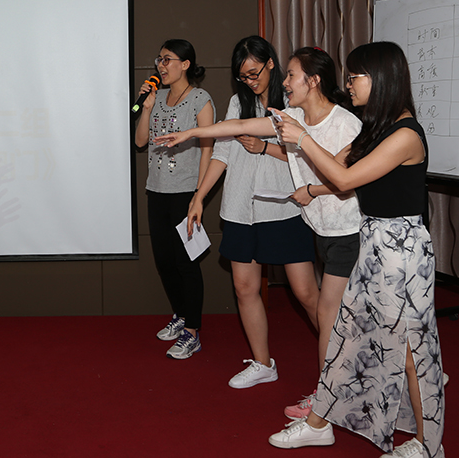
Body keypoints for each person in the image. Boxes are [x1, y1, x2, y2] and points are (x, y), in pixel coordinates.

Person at [266, 41, 444, 458]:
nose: (348, 84)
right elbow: (338, 167)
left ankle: (427, 445)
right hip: (374, 243)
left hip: (401, 251)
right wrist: (308, 177)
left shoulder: (405, 133)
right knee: (351, 335)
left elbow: (346, 182)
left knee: (410, 350)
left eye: (355, 76)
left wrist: (304, 140)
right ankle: (319, 424)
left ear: (381, 78)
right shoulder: (377, 126)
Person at [169, 36, 319, 384]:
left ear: (270, 64)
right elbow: (223, 152)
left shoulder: (293, 102)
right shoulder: (239, 102)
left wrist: (264, 150)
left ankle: (343, 359)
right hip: (240, 208)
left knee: (306, 292)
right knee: (244, 288)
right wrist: (199, 198)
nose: (250, 81)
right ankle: (262, 363)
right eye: (244, 77)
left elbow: (311, 158)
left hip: (283, 208)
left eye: (255, 73)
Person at [274, 47, 362, 420]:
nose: (285, 81)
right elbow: (242, 126)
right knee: (360, 316)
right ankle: (417, 374)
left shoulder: (347, 124)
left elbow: (346, 181)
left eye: (291, 74)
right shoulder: (293, 116)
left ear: (313, 80)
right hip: (323, 227)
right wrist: (195, 132)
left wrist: (310, 191)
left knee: (329, 314)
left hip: (350, 228)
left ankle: (324, 401)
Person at [135, 39, 214, 359]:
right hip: (156, 189)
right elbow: (141, 141)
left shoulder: (200, 99)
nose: (161, 66)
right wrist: (148, 107)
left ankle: (192, 331)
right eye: (159, 60)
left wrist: (199, 194)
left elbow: (209, 147)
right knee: (165, 261)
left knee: (186, 263)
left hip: (185, 192)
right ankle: (181, 315)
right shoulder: (158, 98)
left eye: (168, 60)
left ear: (185, 64)